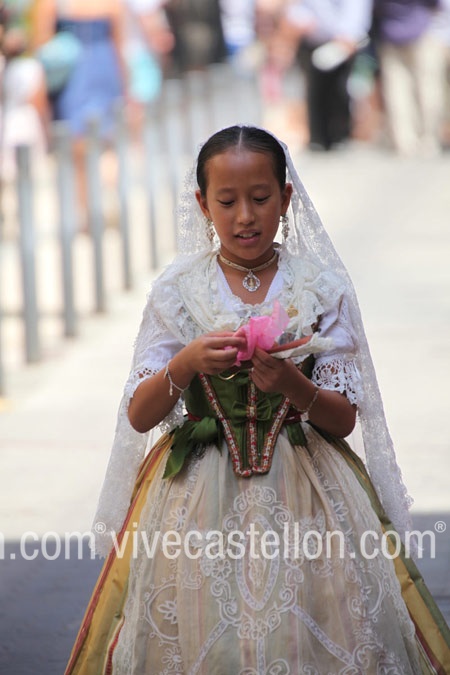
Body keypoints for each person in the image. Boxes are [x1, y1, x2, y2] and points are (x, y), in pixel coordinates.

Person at [65, 125, 450, 674]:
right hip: (197, 497)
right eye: (227, 201)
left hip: (308, 492)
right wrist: (185, 364)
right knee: (205, 626)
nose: (245, 216)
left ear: (286, 198)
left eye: (261, 198)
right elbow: (140, 413)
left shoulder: (318, 289)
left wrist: (294, 385)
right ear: (203, 205)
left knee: (315, 622)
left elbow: (343, 418)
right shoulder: (179, 291)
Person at [31, 0, 126, 230]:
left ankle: (87, 212)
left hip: (73, 76)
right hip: (104, 69)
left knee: (78, 150)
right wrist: (125, 87)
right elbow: (119, 45)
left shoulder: (53, 4)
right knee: (106, 143)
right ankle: (105, 198)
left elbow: (41, 47)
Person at [281, 0, 373, 151]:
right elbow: (298, 8)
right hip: (314, 42)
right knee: (315, 91)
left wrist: (349, 36)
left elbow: (357, 11)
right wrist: (303, 21)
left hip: (343, 43)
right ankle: (318, 137)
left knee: (340, 90)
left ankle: (340, 136)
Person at [373, 0, 450, 157]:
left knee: (398, 92)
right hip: (422, 32)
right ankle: (427, 140)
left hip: (394, 33)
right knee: (427, 88)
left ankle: (405, 141)